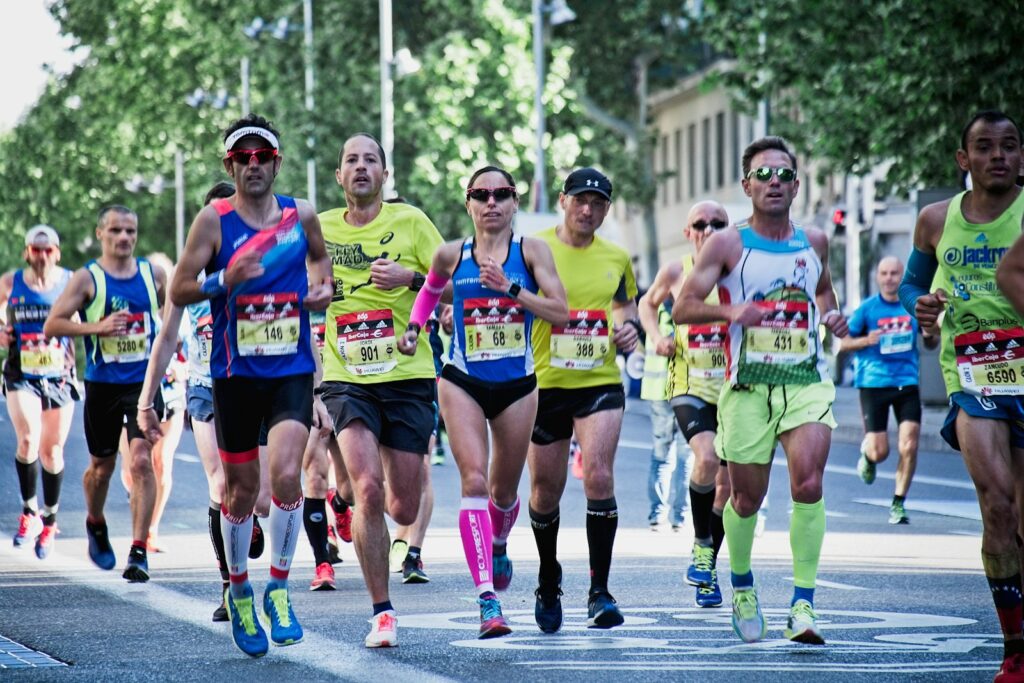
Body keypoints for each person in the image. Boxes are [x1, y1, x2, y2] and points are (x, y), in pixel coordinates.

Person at [674, 136, 849, 645]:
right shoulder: (728, 243)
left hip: (805, 382)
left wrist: (832, 316)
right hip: (748, 386)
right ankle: (744, 586)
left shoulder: (814, 241)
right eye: (763, 175)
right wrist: (731, 312)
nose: (774, 182)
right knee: (746, 499)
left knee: (809, 485)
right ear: (746, 185)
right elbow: (685, 307)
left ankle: (803, 604)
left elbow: (821, 293)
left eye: (784, 175)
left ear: (797, 185)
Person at [169, 114, 332, 657]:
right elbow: (180, 288)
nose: (254, 165)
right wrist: (224, 280)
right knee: (239, 492)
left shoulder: (299, 215)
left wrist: (322, 290)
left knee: (287, 475)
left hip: (290, 368)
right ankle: (239, 588)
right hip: (235, 375)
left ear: (277, 163)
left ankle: (279, 588)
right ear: (230, 165)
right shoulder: (213, 222)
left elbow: (320, 262)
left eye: (263, 156)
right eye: (244, 157)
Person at [399, 165, 568, 637]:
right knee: (472, 481)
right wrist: (414, 329)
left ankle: (497, 540)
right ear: (469, 204)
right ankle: (486, 600)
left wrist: (510, 288)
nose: (491, 202)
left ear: (515, 203)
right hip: (462, 379)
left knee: (504, 493)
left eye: (502, 194)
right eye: (481, 194)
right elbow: (431, 290)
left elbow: (561, 311)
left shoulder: (532, 252)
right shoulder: (451, 254)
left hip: (517, 384)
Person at [907, 110, 1024, 682]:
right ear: (964, 160)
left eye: (1008, 146)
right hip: (973, 377)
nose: (997, 155)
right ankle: (1015, 649)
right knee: (996, 502)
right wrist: (921, 305)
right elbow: (912, 282)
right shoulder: (936, 219)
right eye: (984, 146)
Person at [317, 132, 443, 648]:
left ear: (385, 175)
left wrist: (412, 279)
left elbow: (455, 284)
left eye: (372, 160)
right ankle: (382, 612)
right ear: (339, 175)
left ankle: (343, 497)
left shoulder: (411, 222)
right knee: (368, 487)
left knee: (404, 508)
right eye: (352, 160)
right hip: (347, 378)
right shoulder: (317, 229)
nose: (362, 167)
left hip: (408, 375)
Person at [526, 168, 641, 633]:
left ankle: (600, 591)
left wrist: (630, 330)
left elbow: (625, 308)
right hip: (544, 382)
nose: (588, 209)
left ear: (607, 209)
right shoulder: (533, 249)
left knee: (598, 474)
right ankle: (549, 577)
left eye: (597, 203)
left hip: (599, 380)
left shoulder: (617, 256)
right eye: (580, 200)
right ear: (563, 201)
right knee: (545, 490)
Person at [44, 206, 166, 582]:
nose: (124, 237)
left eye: (130, 230)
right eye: (116, 230)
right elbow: (53, 324)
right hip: (103, 385)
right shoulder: (87, 278)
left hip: (143, 384)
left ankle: (139, 549)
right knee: (102, 469)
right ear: (101, 234)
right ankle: (95, 521)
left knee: (143, 461)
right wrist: (97, 327)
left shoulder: (154, 274)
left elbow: (171, 318)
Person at [640, 200, 732, 608]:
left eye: (719, 223)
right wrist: (654, 337)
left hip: (734, 387)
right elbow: (646, 302)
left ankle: (708, 564)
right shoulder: (677, 270)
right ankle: (699, 542)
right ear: (687, 231)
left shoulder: (741, 268)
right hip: (688, 384)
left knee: (729, 487)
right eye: (700, 223)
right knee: (706, 458)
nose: (709, 229)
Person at [1, 225, 79, 559]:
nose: (42, 256)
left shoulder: (71, 281)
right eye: (36, 249)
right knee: (28, 440)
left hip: (59, 375)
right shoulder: (10, 282)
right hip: (21, 373)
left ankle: (49, 519)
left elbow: (90, 314)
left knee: (53, 452)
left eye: (48, 251)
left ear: (57, 253)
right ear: (27, 252)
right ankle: (29, 512)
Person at [842, 256, 937, 524]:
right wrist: (865, 340)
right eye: (884, 273)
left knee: (909, 443)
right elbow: (843, 344)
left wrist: (931, 335)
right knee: (879, 451)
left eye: (895, 273)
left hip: (907, 382)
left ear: (902, 275)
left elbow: (930, 343)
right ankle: (868, 455)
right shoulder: (867, 309)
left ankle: (898, 502)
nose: (889, 278)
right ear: (877, 277)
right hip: (874, 383)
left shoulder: (913, 308)